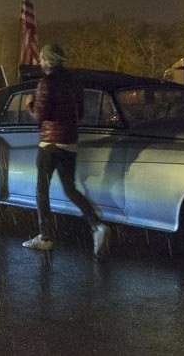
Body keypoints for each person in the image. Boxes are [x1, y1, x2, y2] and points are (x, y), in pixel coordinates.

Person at [23, 44, 111, 257]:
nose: (40, 63)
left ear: (50, 61)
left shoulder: (46, 82)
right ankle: (96, 225)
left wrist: (29, 104)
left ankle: (45, 237)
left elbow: (39, 116)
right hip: (70, 142)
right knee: (70, 188)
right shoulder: (74, 82)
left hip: (49, 145)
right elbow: (79, 112)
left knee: (41, 189)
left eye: (42, 59)